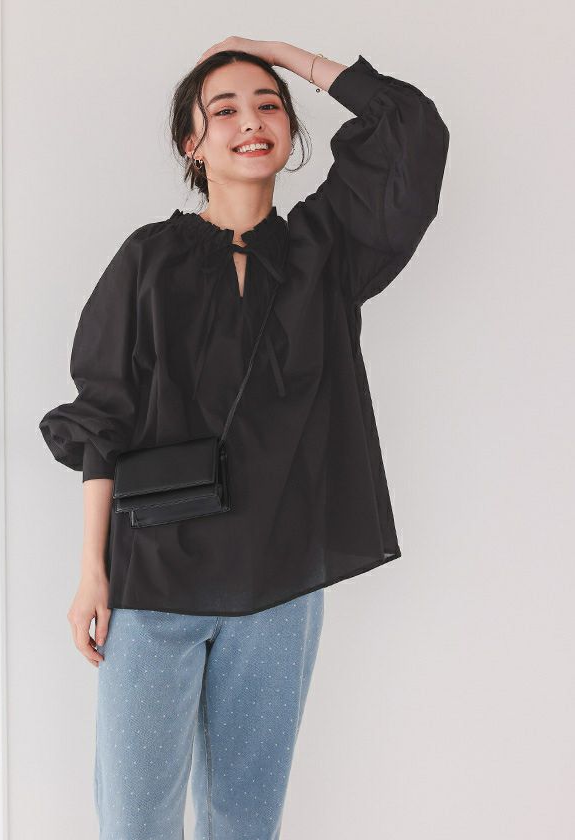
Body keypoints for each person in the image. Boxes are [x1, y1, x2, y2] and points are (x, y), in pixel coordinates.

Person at [39, 37, 449, 840]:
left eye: (269, 106)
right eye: (223, 110)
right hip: (153, 581)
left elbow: (412, 129)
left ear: (291, 129)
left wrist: (279, 54)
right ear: (191, 143)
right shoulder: (148, 259)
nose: (251, 121)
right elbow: (103, 418)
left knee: (244, 824)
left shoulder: (324, 251)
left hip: (278, 583)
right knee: (134, 821)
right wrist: (92, 572)